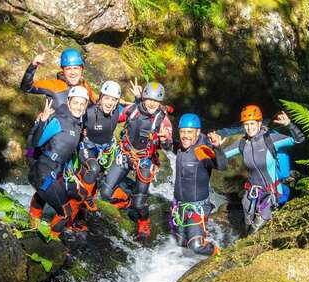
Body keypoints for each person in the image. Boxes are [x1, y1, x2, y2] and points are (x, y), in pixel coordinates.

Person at [20, 48, 96, 228]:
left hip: (64, 143)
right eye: (69, 68)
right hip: (41, 141)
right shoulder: (54, 86)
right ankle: (34, 220)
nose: (73, 72)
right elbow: (26, 87)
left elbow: (93, 107)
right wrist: (33, 66)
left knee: (59, 180)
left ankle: (68, 219)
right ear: (63, 70)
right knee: (43, 180)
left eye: (76, 68)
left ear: (82, 69)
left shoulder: (85, 88)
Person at [100, 81, 173, 241]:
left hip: (145, 161)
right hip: (125, 155)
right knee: (105, 192)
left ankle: (143, 221)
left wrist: (165, 140)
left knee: (140, 203)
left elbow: (168, 145)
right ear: (143, 98)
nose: (152, 103)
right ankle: (126, 201)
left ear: (160, 102)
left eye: (156, 101)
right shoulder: (132, 109)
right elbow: (111, 119)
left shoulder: (163, 120)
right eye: (149, 99)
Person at [224, 105, 304, 234]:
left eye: (252, 123)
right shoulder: (243, 144)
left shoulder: (271, 139)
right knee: (248, 227)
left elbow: (299, 140)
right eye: (246, 124)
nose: (249, 128)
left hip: (271, 194)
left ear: (260, 123)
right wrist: (215, 146)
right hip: (251, 194)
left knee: (255, 230)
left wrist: (289, 124)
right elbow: (219, 156)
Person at [27, 86, 88, 239]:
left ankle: (33, 222)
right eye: (75, 103)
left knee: (44, 195)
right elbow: (35, 142)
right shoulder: (59, 121)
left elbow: (65, 153)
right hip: (42, 172)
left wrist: (72, 174)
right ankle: (52, 240)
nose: (79, 107)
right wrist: (41, 121)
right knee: (65, 212)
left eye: (83, 104)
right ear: (68, 102)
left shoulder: (77, 125)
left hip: (52, 173)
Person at [64, 80, 125, 231]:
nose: (110, 102)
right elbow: (72, 118)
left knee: (96, 178)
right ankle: (83, 200)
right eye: (107, 98)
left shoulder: (119, 111)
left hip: (106, 150)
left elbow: (138, 112)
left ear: (117, 101)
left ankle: (80, 214)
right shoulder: (89, 112)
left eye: (114, 99)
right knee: (93, 168)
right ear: (101, 97)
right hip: (88, 147)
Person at [169, 113, 226, 256]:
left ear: (198, 132)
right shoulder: (181, 147)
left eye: (189, 132)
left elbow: (221, 166)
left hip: (197, 208)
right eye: (182, 131)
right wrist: (164, 140)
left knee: (196, 246)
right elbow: (171, 146)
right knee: (181, 243)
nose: (185, 136)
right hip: (179, 206)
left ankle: (220, 254)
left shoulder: (202, 150)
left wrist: (217, 147)